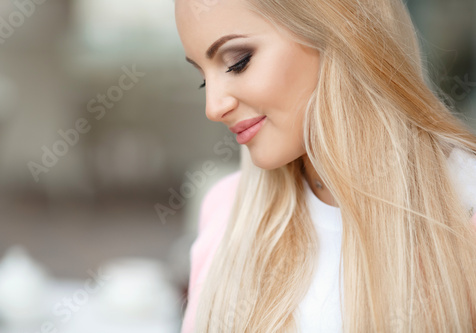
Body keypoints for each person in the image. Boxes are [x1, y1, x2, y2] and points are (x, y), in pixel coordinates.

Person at [174, 0, 476, 331]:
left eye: (238, 63)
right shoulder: (226, 211)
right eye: (203, 78)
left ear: (339, 32)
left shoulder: (465, 206)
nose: (213, 107)